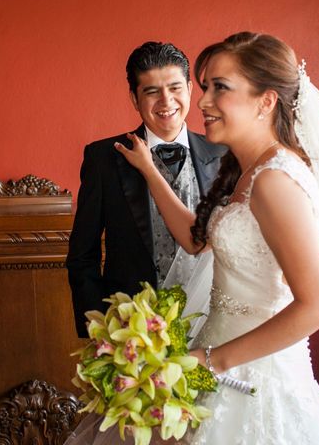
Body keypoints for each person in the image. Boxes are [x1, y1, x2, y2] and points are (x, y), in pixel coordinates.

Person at [113, 31, 319, 444]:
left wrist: (210, 359)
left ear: (266, 101)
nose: (201, 102)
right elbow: (195, 238)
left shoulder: (274, 181)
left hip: (256, 377)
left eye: (220, 87)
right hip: (218, 355)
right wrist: (150, 171)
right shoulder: (248, 169)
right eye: (205, 87)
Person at [66, 41, 226, 338]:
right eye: (151, 91)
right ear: (134, 98)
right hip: (131, 331)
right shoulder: (104, 158)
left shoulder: (224, 154)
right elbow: (82, 255)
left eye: (175, 88)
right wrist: (98, 329)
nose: (166, 101)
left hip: (210, 324)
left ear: (191, 89)